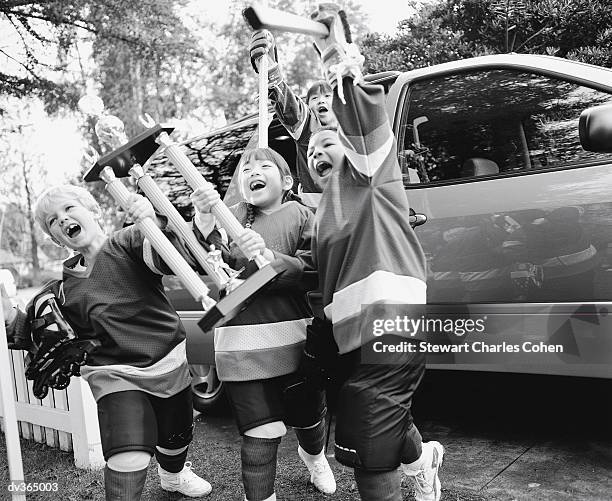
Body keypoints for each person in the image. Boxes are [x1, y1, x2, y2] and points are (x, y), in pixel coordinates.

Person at [303, 5, 445, 501]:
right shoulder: (326, 210)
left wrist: (335, 56)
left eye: (328, 143)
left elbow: (360, 118)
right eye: (310, 151)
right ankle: (422, 459)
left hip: (393, 323)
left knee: (366, 431)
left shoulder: (370, 171)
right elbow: (320, 272)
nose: (318, 153)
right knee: (384, 418)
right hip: (348, 335)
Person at [2, 184, 212, 500]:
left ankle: (174, 475)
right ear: (57, 239)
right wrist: (8, 312)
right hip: (114, 374)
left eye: (69, 209)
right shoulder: (61, 291)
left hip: (169, 361)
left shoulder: (127, 242)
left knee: (175, 442)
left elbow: (170, 259)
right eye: (52, 222)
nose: (62, 220)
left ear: (94, 211)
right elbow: (29, 330)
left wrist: (152, 223)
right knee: (129, 457)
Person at [190, 147, 336, 501]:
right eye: (245, 169)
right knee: (261, 431)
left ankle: (314, 457)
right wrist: (205, 218)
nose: (252, 171)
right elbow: (208, 261)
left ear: (286, 181)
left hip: (296, 343)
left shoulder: (306, 214)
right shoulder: (231, 215)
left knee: (309, 418)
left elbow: (313, 271)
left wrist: (269, 258)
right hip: (240, 347)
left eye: (263, 166)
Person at [249, 30, 338, 196]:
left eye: (327, 96)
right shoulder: (309, 135)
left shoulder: (355, 133)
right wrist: (270, 69)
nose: (321, 101)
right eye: (314, 98)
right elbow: (294, 111)